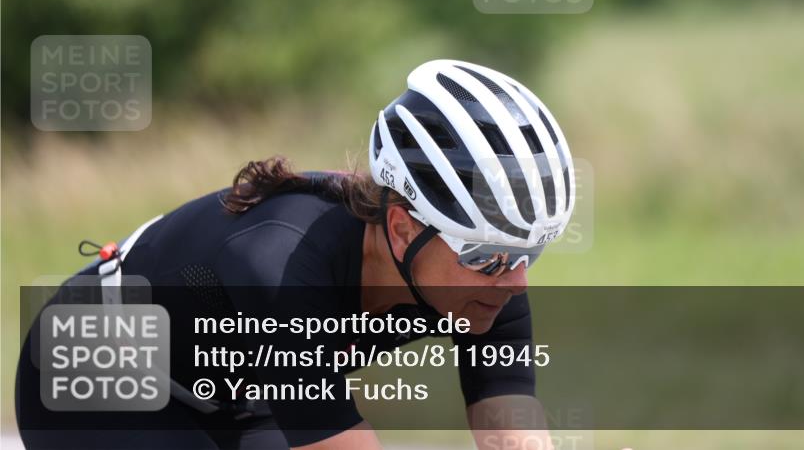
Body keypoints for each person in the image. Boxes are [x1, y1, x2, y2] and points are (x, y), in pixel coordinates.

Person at [15, 59, 576, 450]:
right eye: (488, 254)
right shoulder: (284, 264)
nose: (516, 280)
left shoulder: (483, 279)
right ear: (403, 229)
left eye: (533, 251)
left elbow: (505, 412)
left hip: (236, 389)